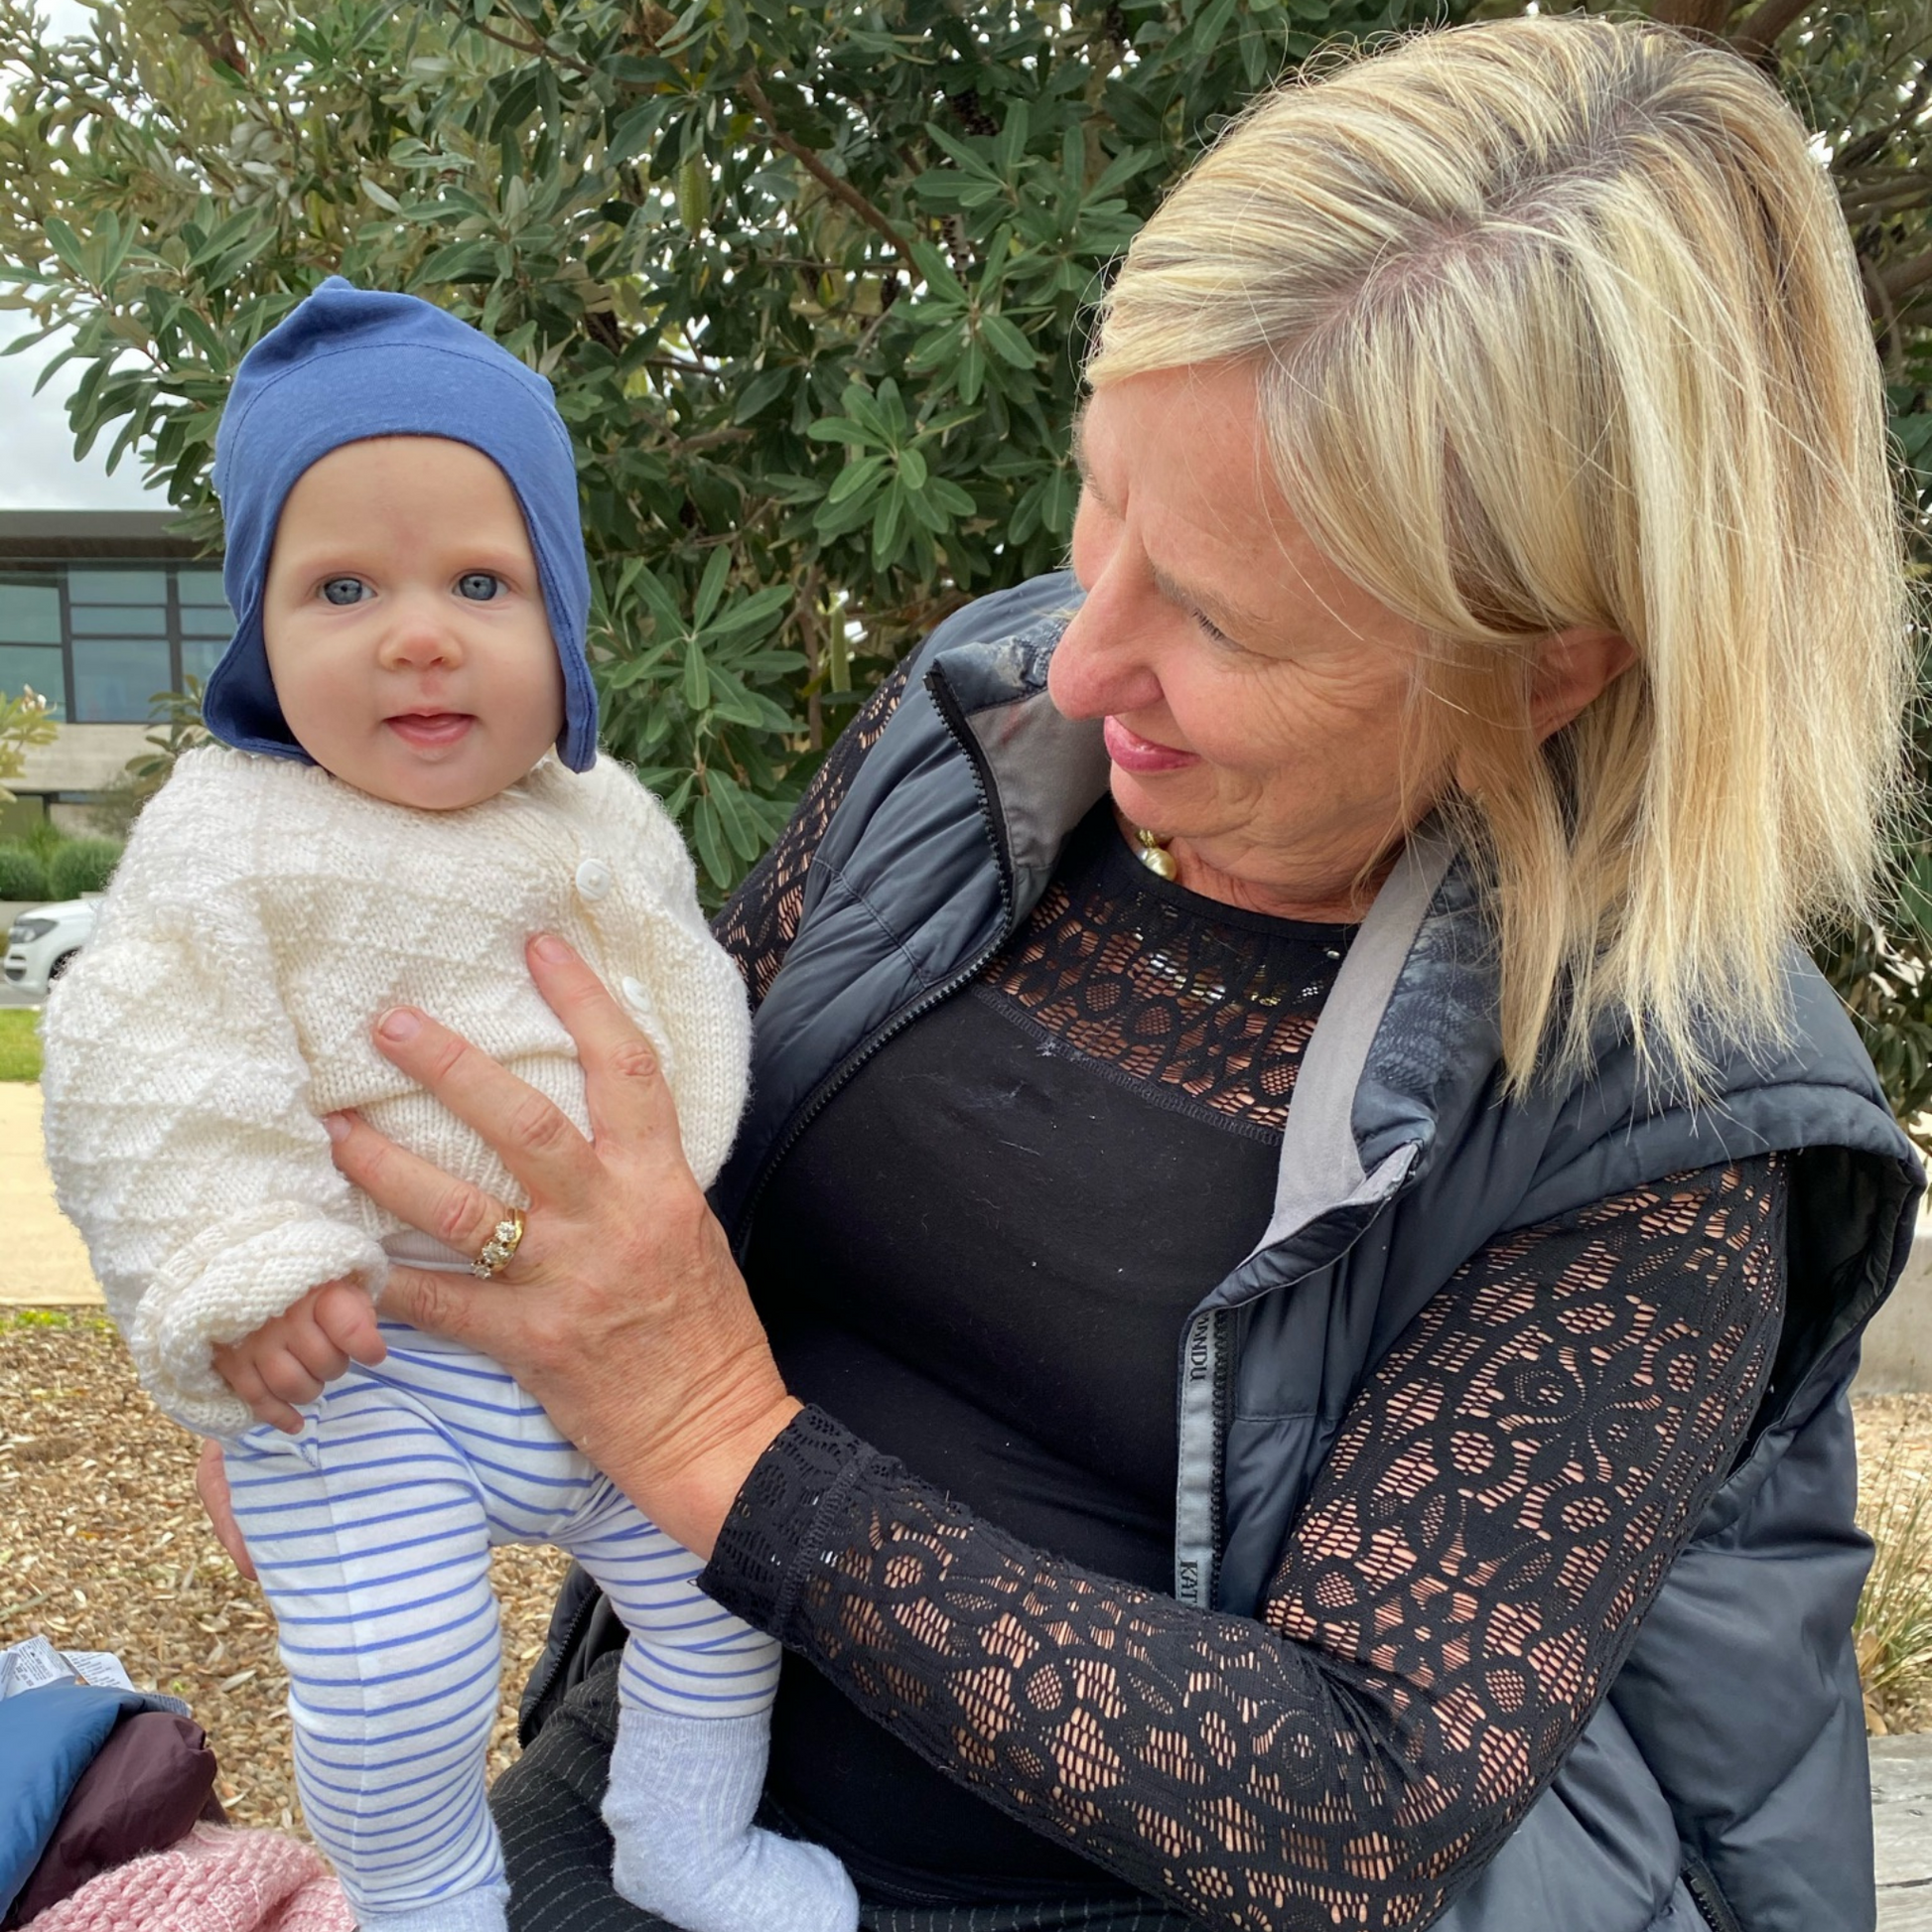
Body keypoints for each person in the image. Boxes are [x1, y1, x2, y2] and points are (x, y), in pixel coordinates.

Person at [196, 19, 1923, 1932]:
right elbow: (653, 1128)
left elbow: (1367, 1803)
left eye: (1218, 612)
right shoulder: (986, 710)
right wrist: (301, 1299)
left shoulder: (1665, 1104)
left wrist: (709, 1447)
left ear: (1548, 667)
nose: (1081, 660)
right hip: (679, 1794)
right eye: (1103, 503)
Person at [41, 283, 858, 1932]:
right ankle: (420, 1896)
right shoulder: (232, 835)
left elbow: (683, 998)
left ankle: (680, 1839)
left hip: (602, 1330)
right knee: (396, 1663)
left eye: (480, 583)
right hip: (362, 1358)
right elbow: (143, 1056)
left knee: (729, 1590)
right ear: (255, 637)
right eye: (342, 585)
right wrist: (244, 1271)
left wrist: (693, 1190)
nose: (418, 633)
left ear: (559, 616)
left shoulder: (596, 815)